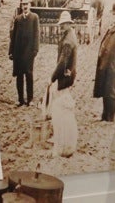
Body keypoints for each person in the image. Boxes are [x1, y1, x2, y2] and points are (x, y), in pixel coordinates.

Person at [93, 2, 115, 122]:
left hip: (113, 66)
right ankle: (105, 115)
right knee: (105, 90)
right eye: (113, 14)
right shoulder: (112, 27)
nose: (114, 16)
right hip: (105, 65)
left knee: (112, 92)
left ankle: (110, 117)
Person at [49, 11, 78, 157]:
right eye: (61, 24)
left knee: (60, 110)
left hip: (64, 79)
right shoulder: (71, 35)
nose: (62, 26)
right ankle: (66, 141)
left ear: (68, 24)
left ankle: (63, 143)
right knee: (65, 108)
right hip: (69, 76)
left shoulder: (67, 41)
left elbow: (62, 63)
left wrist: (52, 78)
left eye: (64, 24)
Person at [9, 0, 39, 107]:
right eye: (23, 5)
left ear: (30, 5)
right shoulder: (18, 19)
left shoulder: (34, 18)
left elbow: (37, 35)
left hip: (29, 52)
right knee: (19, 76)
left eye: (27, 4)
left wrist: (35, 49)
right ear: (21, 6)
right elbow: (13, 36)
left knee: (29, 75)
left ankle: (30, 99)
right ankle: (20, 99)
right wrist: (11, 51)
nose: (25, 6)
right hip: (18, 52)